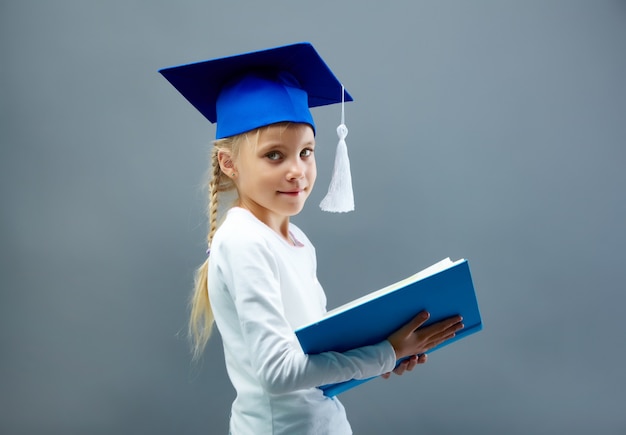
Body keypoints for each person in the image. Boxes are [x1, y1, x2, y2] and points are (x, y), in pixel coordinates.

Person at [160, 42, 464, 435]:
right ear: (229, 163)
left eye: (306, 152)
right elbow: (278, 372)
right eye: (274, 155)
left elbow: (311, 363)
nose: (297, 171)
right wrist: (383, 355)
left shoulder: (296, 240)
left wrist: (388, 353)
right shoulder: (242, 241)